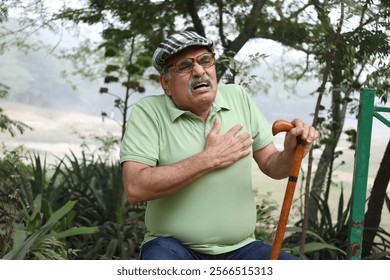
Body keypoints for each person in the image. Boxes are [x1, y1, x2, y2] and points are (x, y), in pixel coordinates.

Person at [119, 31, 320, 260]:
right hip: (172, 247)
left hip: (243, 249)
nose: (199, 70)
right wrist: (208, 159)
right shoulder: (149, 112)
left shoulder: (238, 97)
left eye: (205, 60)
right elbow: (135, 187)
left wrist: (292, 153)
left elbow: (272, 166)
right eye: (185, 66)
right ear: (166, 82)